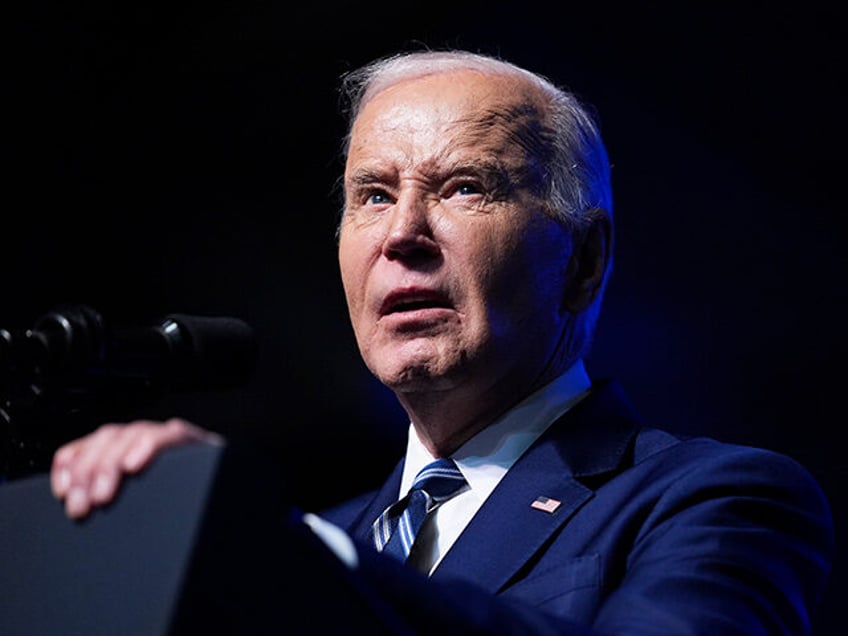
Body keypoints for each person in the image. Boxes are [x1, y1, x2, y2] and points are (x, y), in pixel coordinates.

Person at [49, 49, 834, 633]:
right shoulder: (326, 534)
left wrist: (292, 562)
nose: (401, 234)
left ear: (583, 261)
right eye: (373, 194)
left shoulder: (716, 501)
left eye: (463, 186)